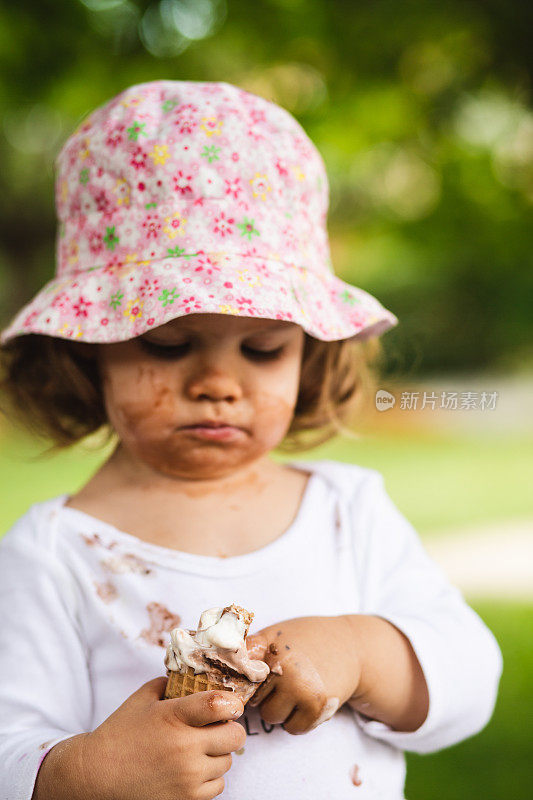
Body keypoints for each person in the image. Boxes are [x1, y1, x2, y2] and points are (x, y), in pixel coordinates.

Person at [0, 80, 502, 800]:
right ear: (90, 349)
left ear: (308, 355)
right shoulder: (53, 553)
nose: (217, 382)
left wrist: (361, 650)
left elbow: (468, 675)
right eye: (169, 344)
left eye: (263, 350)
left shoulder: (345, 511)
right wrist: (83, 774)